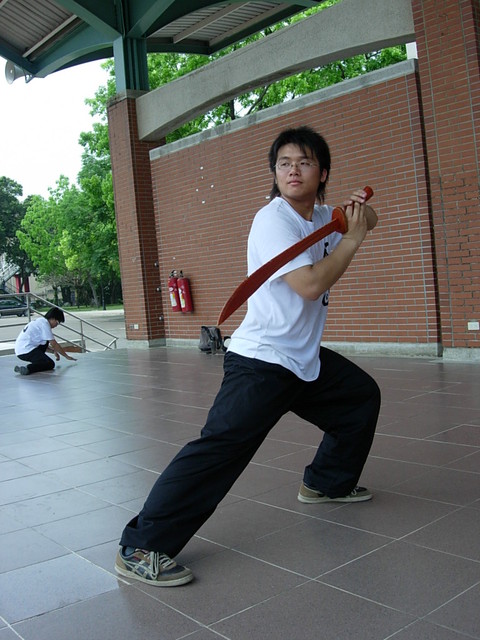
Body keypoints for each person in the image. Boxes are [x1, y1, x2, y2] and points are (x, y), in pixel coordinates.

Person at [115, 125, 381, 587]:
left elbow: (369, 220)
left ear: (322, 173)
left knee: (360, 397)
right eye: (284, 164)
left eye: (304, 162)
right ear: (274, 174)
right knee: (221, 448)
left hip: (301, 360)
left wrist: (357, 214)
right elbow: (310, 284)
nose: (293, 170)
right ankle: (142, 546)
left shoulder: (321, 217)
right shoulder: (273, 220)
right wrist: (352, 239)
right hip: (262, 360)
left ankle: (326, 482)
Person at [14, 306, 77, 375]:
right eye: (57, 322)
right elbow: (54, 344)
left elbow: (43, 344)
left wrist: (53, 351)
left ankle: (35, 363)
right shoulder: (45, 324)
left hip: (22, 350)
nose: (56, 325)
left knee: (47, 341)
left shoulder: (40, 321)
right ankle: (27, 368)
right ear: (53, 318)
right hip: (26, 351)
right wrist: (66, 356)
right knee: (50, 364)